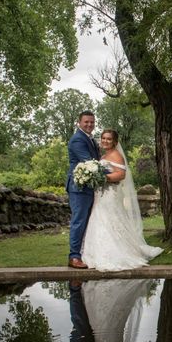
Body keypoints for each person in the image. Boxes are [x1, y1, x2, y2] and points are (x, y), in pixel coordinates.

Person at [81, 129, 163, 271]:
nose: (105, 141)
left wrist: (102, 177)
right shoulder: (105, 155)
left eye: (109, 139)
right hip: (101, 195)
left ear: (115, 142)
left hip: (110, 195)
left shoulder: (116, 155)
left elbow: (121, 175)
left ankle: (116, 253)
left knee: (110, 220)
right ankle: (96, 252)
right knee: (100, 219)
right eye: (103, 138)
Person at [66, 111, 100, 269]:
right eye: (86, 122)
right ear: (79, 122)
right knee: (78, 222)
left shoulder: (90, 139)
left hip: (88, 187)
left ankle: (83, 253)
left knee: (87, 222)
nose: (89, 125)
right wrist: (115, 174)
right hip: (79, 188)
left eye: (92, 122)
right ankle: (73, 257)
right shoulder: (77, 140)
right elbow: (89, 162)